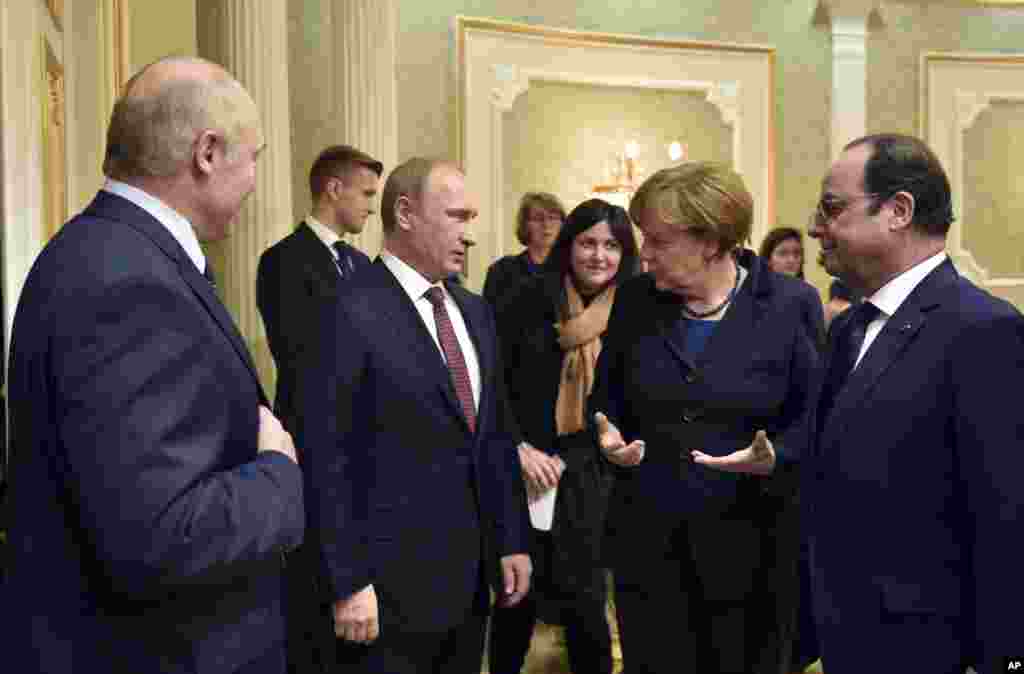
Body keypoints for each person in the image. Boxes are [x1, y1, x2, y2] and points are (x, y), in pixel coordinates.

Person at [3, 56, 304, 674]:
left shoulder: (113, 253)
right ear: (207, 153)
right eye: (255, 157)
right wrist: (278, 473)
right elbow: (163, 535)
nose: (256, 180)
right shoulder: (125, 280)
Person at [701, 133, 1024, 674]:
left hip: (931, 645)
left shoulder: (983, 330)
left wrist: (1003, 659)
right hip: (846, 632)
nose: (814, 227)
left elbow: (1004, 518)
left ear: (898, 211)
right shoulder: (850, 326)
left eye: (832, 208)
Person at [298, 157, 532, 674]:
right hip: (384, 596)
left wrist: (511, 537)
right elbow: (324, 457)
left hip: (468, 587)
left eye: (471, 218)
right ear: (405, 213)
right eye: (456, 216)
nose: (469, 234)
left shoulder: (475, 312)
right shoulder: (343, 309)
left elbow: (492, 437)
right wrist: (347, 581)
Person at [589, 161, 822, 674]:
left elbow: (814, 420)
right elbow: (606, 401)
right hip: (650, 554)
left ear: (712, 241)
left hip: (754, 553)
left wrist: (777, 457)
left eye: (658, 241)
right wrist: (610, 440)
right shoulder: (635, 301)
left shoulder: (791, 304)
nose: (644, 253)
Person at [489, 199, 640, 674]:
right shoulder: (527, 298)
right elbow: (493, 386)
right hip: (530, 465)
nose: (599, 256)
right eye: (588, 243)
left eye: (611, 246)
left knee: (586, 600)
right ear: (569, 245)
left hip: (597, 468)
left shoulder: (638, 306)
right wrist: (518, 446)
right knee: (516, 595)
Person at [257, 144, 381, 436]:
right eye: (366, 194)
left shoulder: (362, 263)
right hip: (312, 432)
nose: (372, 207)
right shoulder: (282, 260)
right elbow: (300, 356)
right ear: (334, 189)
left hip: (365, 434)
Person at [482, 191, 566, 308]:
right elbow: (487, 315)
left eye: (552, 218)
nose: (546, 224)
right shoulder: (502, 271)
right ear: (525, 225)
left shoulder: (571, 269)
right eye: (538, 218)